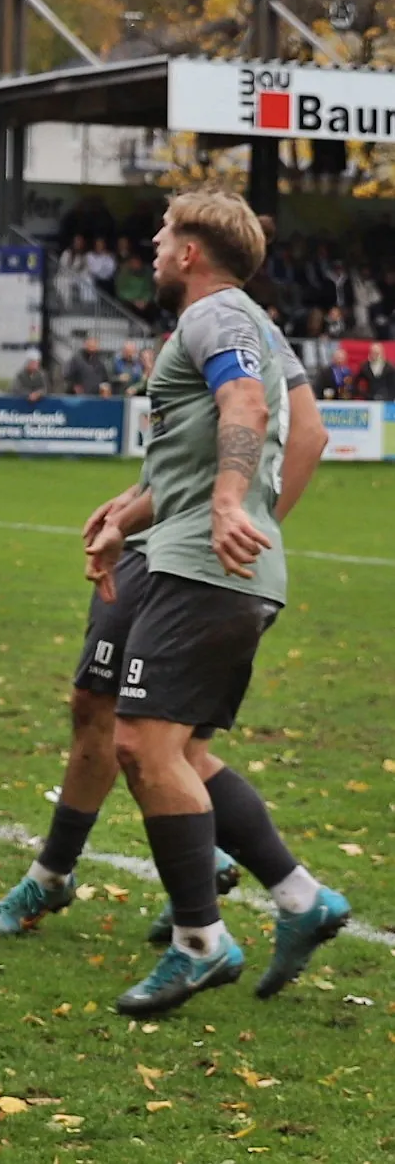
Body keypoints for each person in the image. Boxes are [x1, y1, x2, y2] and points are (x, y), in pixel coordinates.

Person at [0, 313, 326, 945]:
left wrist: (245, 524)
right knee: (101, 709)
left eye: (164, 251)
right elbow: (193, 453)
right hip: (156, 542)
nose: (155, 257)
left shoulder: (238, 323)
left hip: (185, 556)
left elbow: (307, 435)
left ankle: (219, 904)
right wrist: (138, 501)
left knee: (158, 741)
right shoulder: (206, 322)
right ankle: (192, 885)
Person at [92, 191, 346, 1014]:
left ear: (190, 252)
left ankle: (199, 942)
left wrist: (232, 504)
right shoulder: (244, 323)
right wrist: (123, 519)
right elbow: (270, 438)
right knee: (184, 752)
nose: (153, 243)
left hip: (203, 571)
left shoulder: (214, 316)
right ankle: (300, 898)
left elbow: (246, 406)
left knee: (140, 744)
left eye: (164, 233)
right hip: (206, 564)